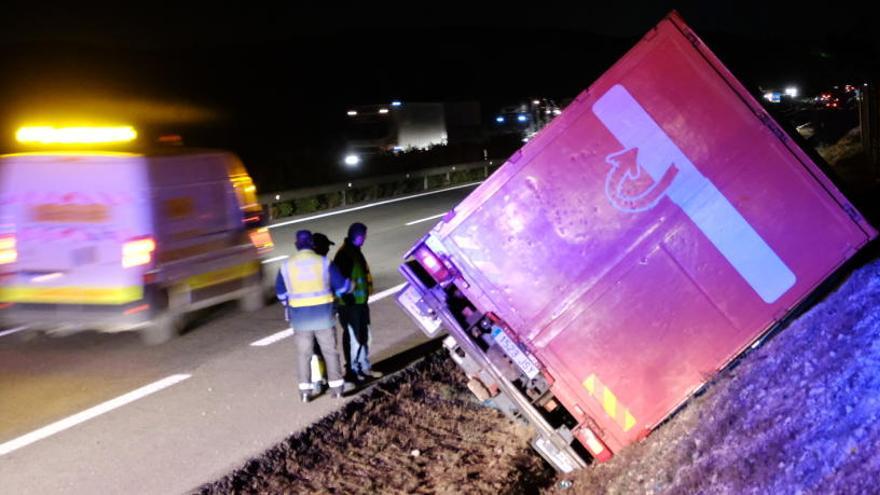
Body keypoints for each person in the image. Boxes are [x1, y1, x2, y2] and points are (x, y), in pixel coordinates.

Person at [276, 230, 351, 402]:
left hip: (300, 319)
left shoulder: (286, 266)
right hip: (324, 317)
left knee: (304, 355)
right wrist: (351, 286)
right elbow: (341, 286)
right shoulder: (324, 263)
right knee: (330, 352)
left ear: (296, 244)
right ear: (312, 244)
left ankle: (305, 392)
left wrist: (292, 304)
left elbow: (281, 294)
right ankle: (337, 389)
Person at [333, 222, 383, 381]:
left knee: (364, 337)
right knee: (354, 339)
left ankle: (364, 367)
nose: (365, 239)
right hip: (351, 304)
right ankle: (353, 371)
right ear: (359, 236)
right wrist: (348, 301)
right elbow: (340, 282)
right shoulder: (345, 254)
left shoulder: (354, 251)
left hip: (359, 303)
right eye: (364, 236)